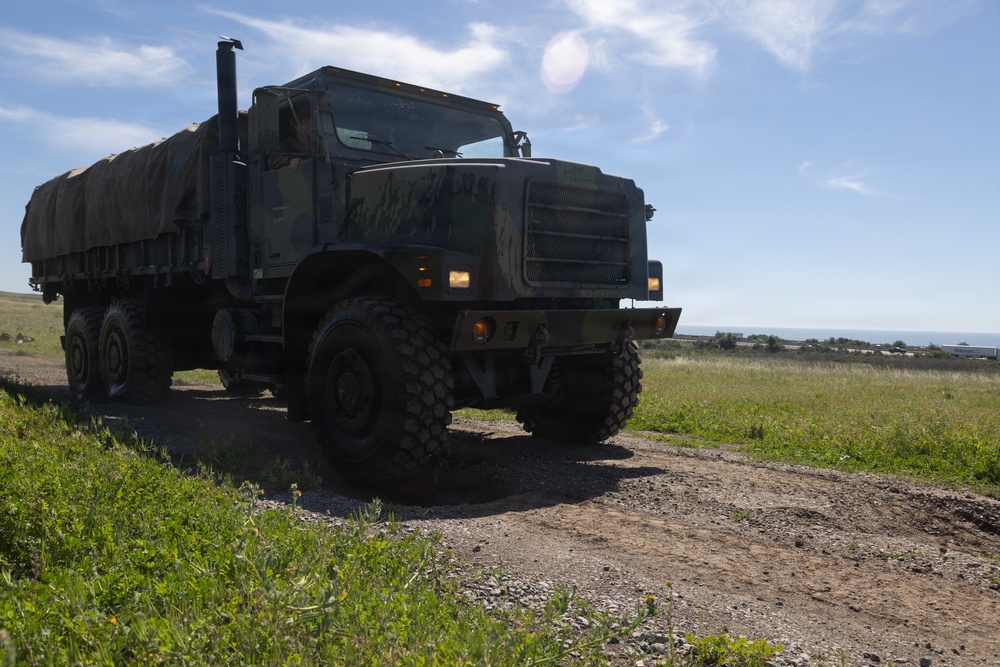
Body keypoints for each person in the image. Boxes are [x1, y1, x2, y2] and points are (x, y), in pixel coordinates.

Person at [267, 104, 313, 170]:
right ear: (295, 126)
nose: (310, 126)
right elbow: (272, 161)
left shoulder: (316, 144)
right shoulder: (285, 145)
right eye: (305, 123)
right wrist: (290, 161)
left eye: (311, 123)